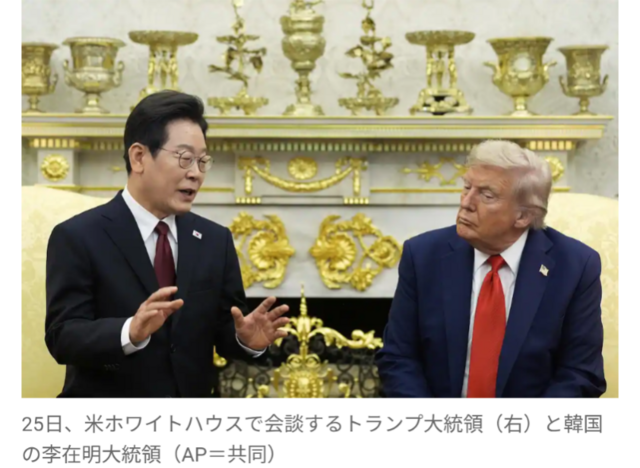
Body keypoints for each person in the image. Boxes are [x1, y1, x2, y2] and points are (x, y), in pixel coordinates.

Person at [45, 90, 289, 398]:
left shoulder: (215, 240)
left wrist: (246, 340)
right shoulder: (78, 236)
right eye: (185, 158)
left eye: (202, 161)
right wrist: (130, 331)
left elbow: (224, 330)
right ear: (139, 157)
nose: (196, 173)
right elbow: (62, 337)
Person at [376, 140, 606, 398]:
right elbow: (398, 357)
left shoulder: (575, 267)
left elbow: (580, 373)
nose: (466, 202)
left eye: (487, 196)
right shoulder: (423, 256)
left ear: (523, 216)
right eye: (467, 187)